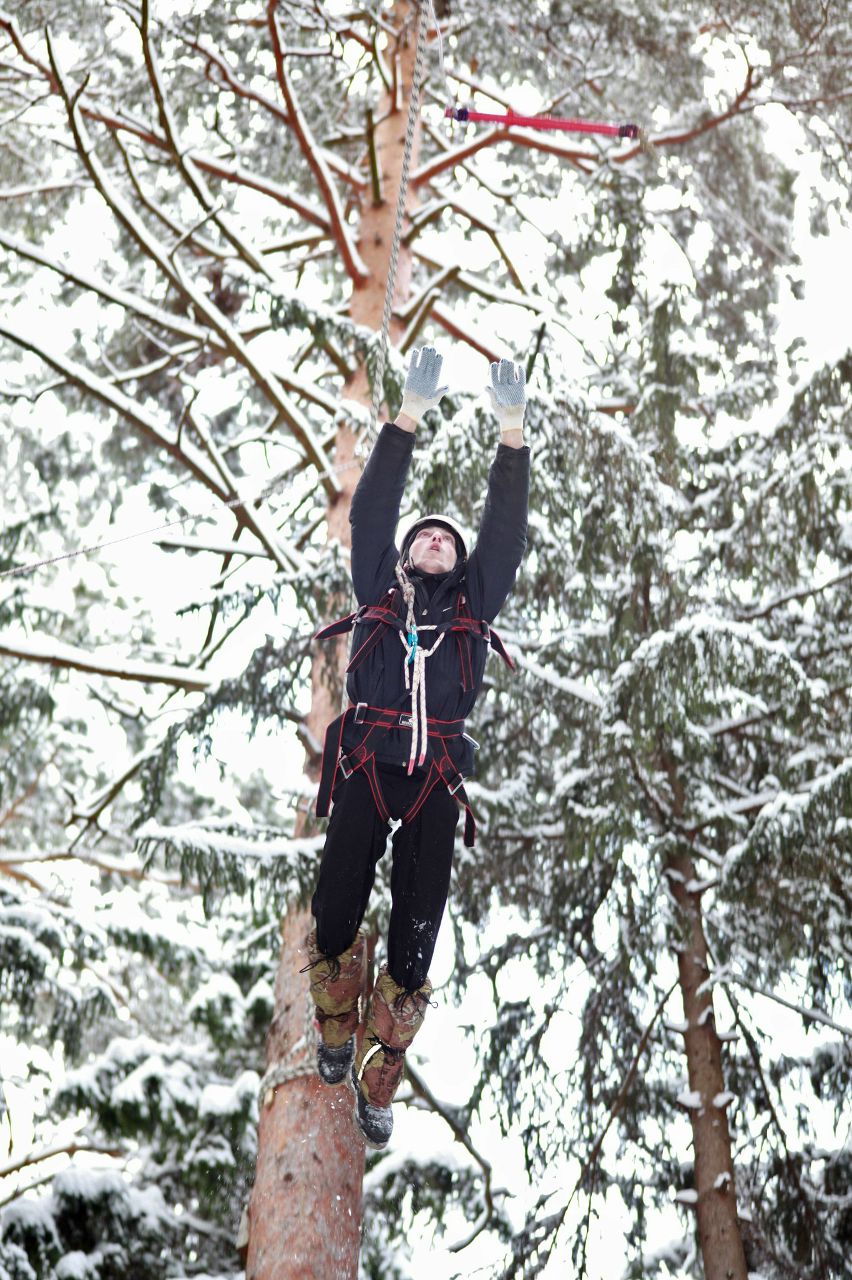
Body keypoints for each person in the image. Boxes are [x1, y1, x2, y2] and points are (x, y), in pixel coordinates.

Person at [304, 346, 530, 1149]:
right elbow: (373, 510)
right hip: (368, 763)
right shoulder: (378, 591)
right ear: (405, 556)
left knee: (417, 928)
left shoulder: (473, 604)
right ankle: (334, 1022)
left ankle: (381, 1064)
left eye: (446, 539)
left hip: (434, 779)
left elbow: (504, 533)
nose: (435, 540)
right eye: (425, 536)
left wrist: (512, 432)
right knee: (334, 909)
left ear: (460, 564)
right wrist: (404, 418)